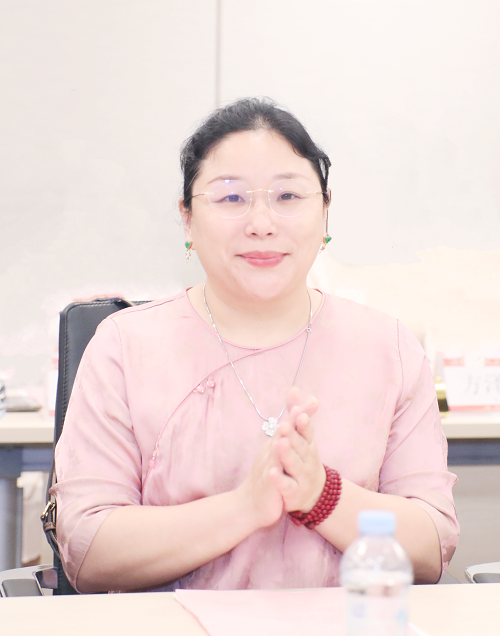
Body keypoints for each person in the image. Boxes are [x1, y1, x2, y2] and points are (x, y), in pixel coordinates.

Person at [52, 98, 459, 593]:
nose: (261, 223)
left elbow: (430, 548)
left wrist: (322, 496)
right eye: (230, 198)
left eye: (288, 196)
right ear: (187, 218)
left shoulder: (388, 349)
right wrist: (244, 508)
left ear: (325, 212)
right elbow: (89, 550)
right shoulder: (123, 347)